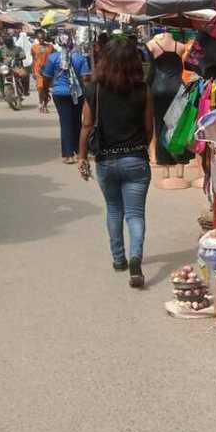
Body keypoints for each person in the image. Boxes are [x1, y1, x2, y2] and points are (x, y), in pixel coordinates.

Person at [77, 39, 154, 289]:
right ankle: (135, 258)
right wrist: (139, 148)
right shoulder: (143, 90)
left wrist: (81, 157)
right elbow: (149, 129)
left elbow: (87, 126)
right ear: (134, 62)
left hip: (106, 160)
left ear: (104, 60)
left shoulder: (94, 89)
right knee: (135, 214)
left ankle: (119, 259)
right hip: (136, 159)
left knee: (113, 210)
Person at [41, 32, 90, 163]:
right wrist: (88, 96)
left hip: (59, 93)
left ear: (58, 42)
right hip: (77, 94)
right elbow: (85, 78)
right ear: (71, 42)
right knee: (77, 122)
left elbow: (46, 77)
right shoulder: (80, 58)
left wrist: (45, 93)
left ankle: (68, 155)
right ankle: (80, 151)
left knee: (65, 123)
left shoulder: (53, 58)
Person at [31, 30, 53, 112]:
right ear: (37, 38)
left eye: (43, 38)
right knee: (40, 87)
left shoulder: (50, 47)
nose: (41, 40)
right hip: (38, 70)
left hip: (48, 70)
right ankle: (41, 103)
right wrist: (33, 71)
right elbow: (34, 59)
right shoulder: (34, 47)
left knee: (46, 89)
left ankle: (45, 105)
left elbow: (53, 58)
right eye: (40, 38)